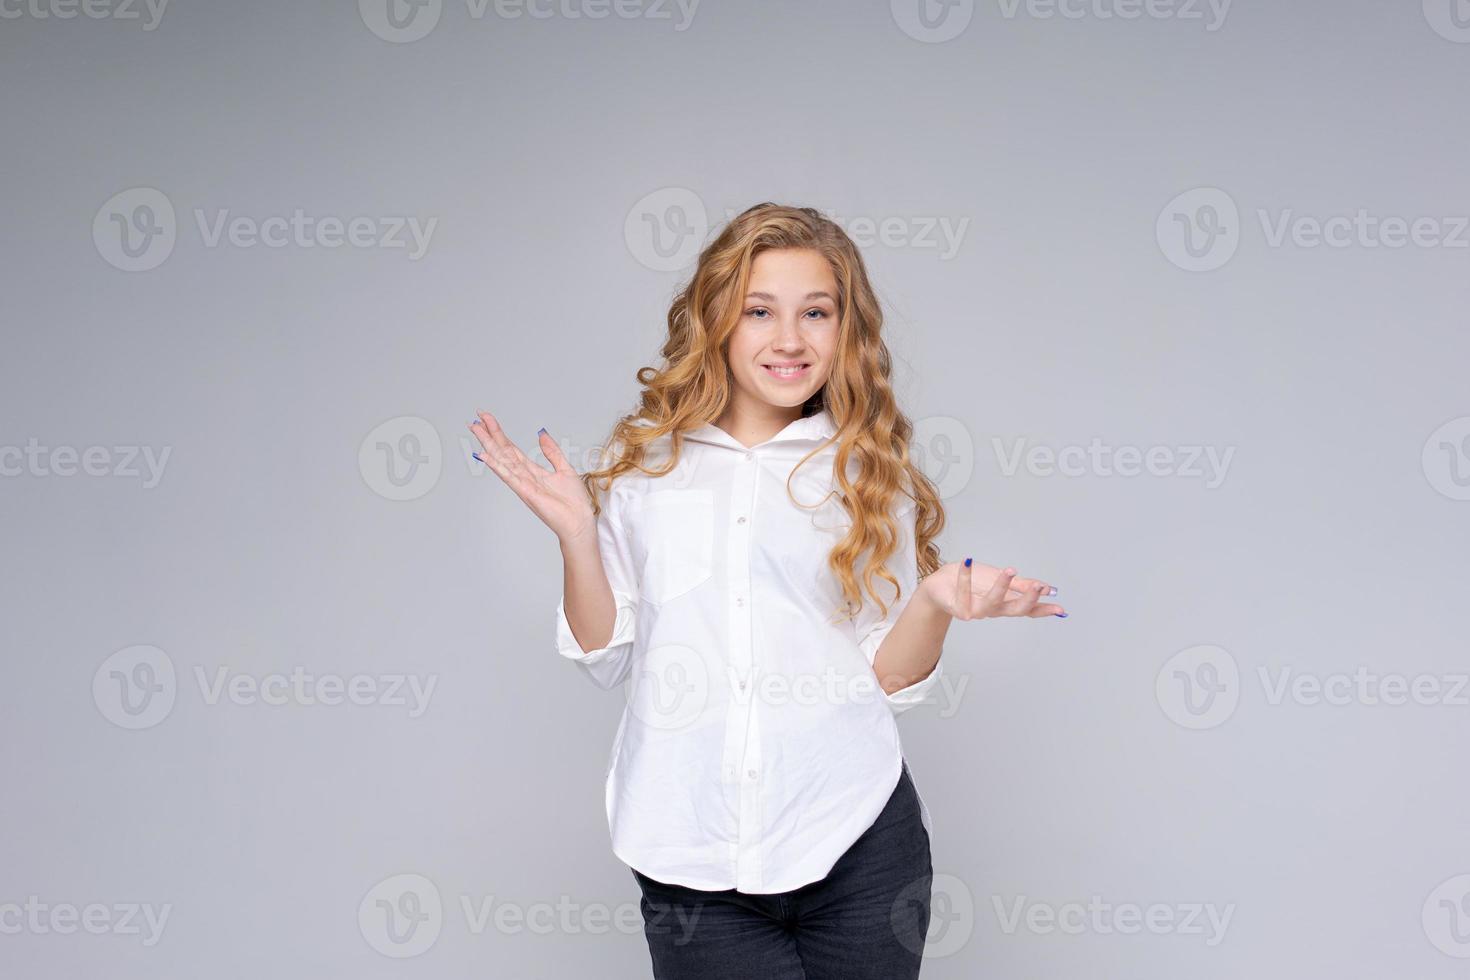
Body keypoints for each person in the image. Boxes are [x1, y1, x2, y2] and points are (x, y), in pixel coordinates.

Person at [468, 203, 1065, 979]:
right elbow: (604, 655)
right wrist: (578, 538)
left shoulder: (868, 471)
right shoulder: (644, 465)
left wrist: (934, 603)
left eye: (815, 312)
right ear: (717, 320)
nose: (790, 339)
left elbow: (885, 675)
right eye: (760, 311)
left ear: (845, 330)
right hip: (691, 858)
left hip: (859, 844)